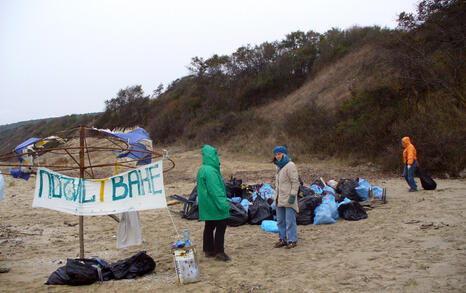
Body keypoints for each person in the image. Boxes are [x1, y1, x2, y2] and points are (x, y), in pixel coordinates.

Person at [196, 145, 231, 261]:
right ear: (212, 155)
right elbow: (215, 191)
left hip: (207, 205)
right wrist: (224, 205)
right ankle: (219, 252)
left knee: (209, 226)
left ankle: (208, 249)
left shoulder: (203, 169)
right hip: (214, 205)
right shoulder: (211, 171)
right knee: (221, 226)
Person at [272, 146, 300, 249]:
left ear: (284, 154)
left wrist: (293, 195)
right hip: (279, 197)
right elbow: (277, 183)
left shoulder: (290, 165)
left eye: (279, 154)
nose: (277, 156)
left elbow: (295, 182)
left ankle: (292, 240)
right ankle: (282, 239)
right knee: (280, 221)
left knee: (290, 221)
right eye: (276, 154)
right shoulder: (278, 167)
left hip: (288, 198)